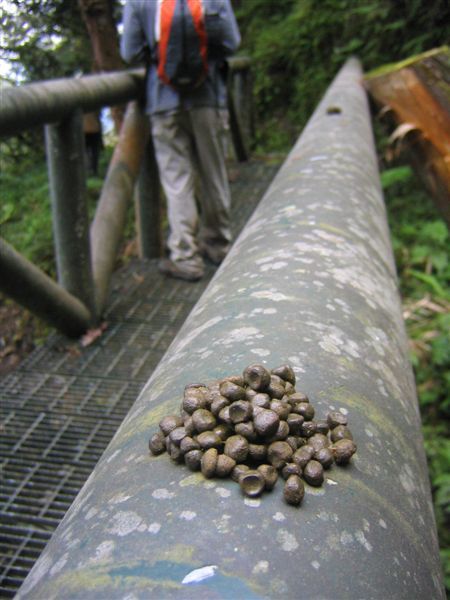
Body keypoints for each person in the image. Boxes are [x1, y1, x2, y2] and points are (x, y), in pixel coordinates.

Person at [121, 0, 241, 282]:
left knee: (177, 181)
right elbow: (231, 42)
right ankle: (219, 245)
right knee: (214, 173)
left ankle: (186, 257)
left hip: (163, 100)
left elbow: (130, 52)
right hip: (208, 97)